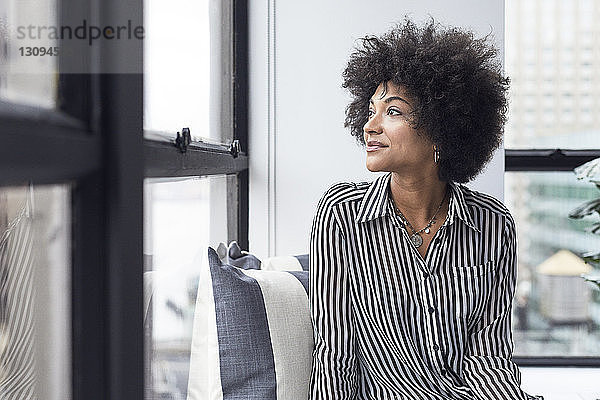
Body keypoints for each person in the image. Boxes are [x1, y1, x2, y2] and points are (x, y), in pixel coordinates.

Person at [309, 18, 543, 400]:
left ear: (441, 128)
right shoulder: (342, 216)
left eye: (393, 112)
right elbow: (335, 357)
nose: (370, 125)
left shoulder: (493, 224)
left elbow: (491, 356)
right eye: (371, 110)